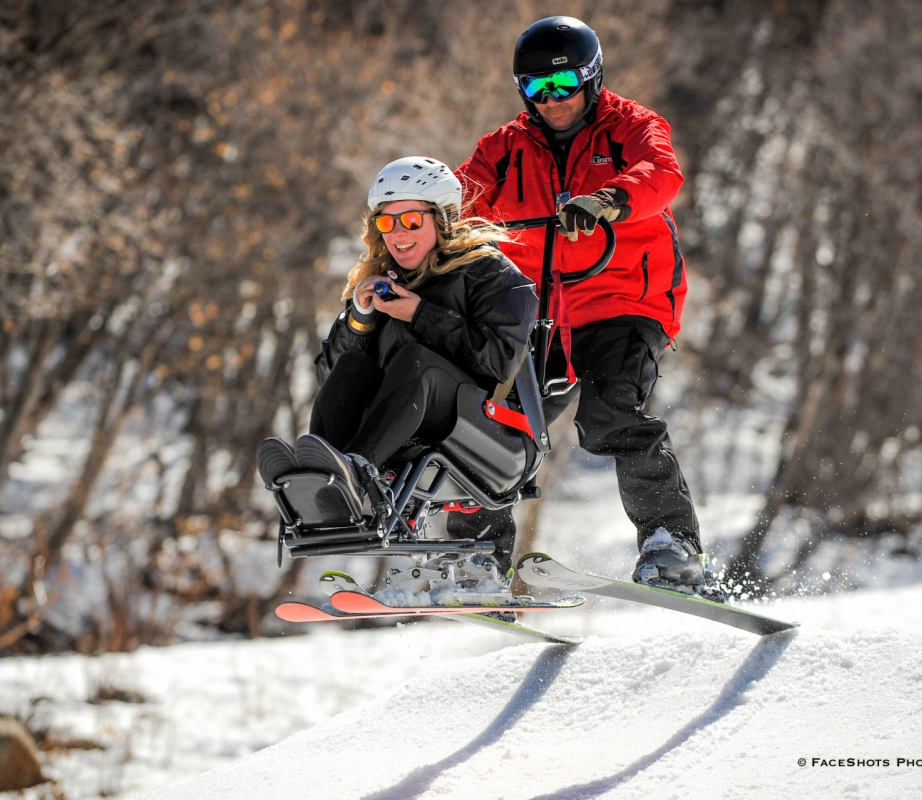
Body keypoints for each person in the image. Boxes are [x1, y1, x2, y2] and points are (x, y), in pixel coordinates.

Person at [453, 16, 714, 596]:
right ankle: (475, 554)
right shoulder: (504, 148)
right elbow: (461, 198)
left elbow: (661, 173)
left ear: (592, 79)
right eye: (536, 89)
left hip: (625, 294)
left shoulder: (631, 127)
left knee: (610, 414)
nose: (552, 100)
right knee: (496, 422)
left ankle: (672, 544)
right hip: (539, 306)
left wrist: (608, 200)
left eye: (563, 84)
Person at [257, 156, 538, 542]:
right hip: (398, 426)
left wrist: (420, 313)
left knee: (416, 360)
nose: (397, 233)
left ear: (441, 219)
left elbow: (499, 361)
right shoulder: (383, 280)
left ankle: (357, 470)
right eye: (386, 222)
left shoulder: (491, 272)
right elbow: (331, 379)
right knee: (354, 365)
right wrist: (359, 317)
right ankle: (324, 483)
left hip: (482, 429)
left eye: (410, 220)